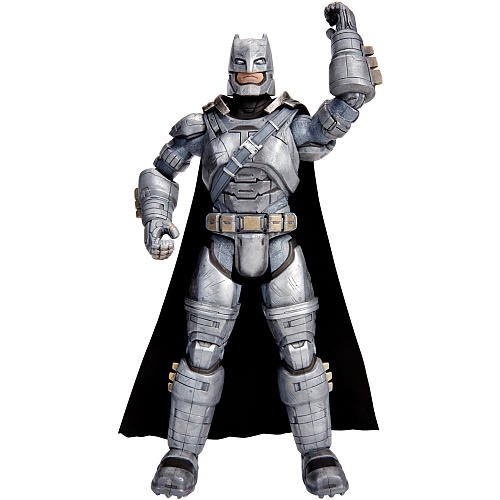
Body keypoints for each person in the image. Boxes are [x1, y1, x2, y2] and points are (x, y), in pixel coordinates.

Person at [127, 3, 381, 497]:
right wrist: (157, 220)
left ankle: (317, 452)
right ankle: (181, 453)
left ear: (270, 67)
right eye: (241, 64)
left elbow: (346, 105)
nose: (249, 72)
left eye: (257, 64)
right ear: (229, 68)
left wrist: (345, 40)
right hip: (220, 247)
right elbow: (160, 171)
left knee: (301, 350)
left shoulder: (291, 123)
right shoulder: (203, 124)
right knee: (201, 351)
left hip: (281, 245)